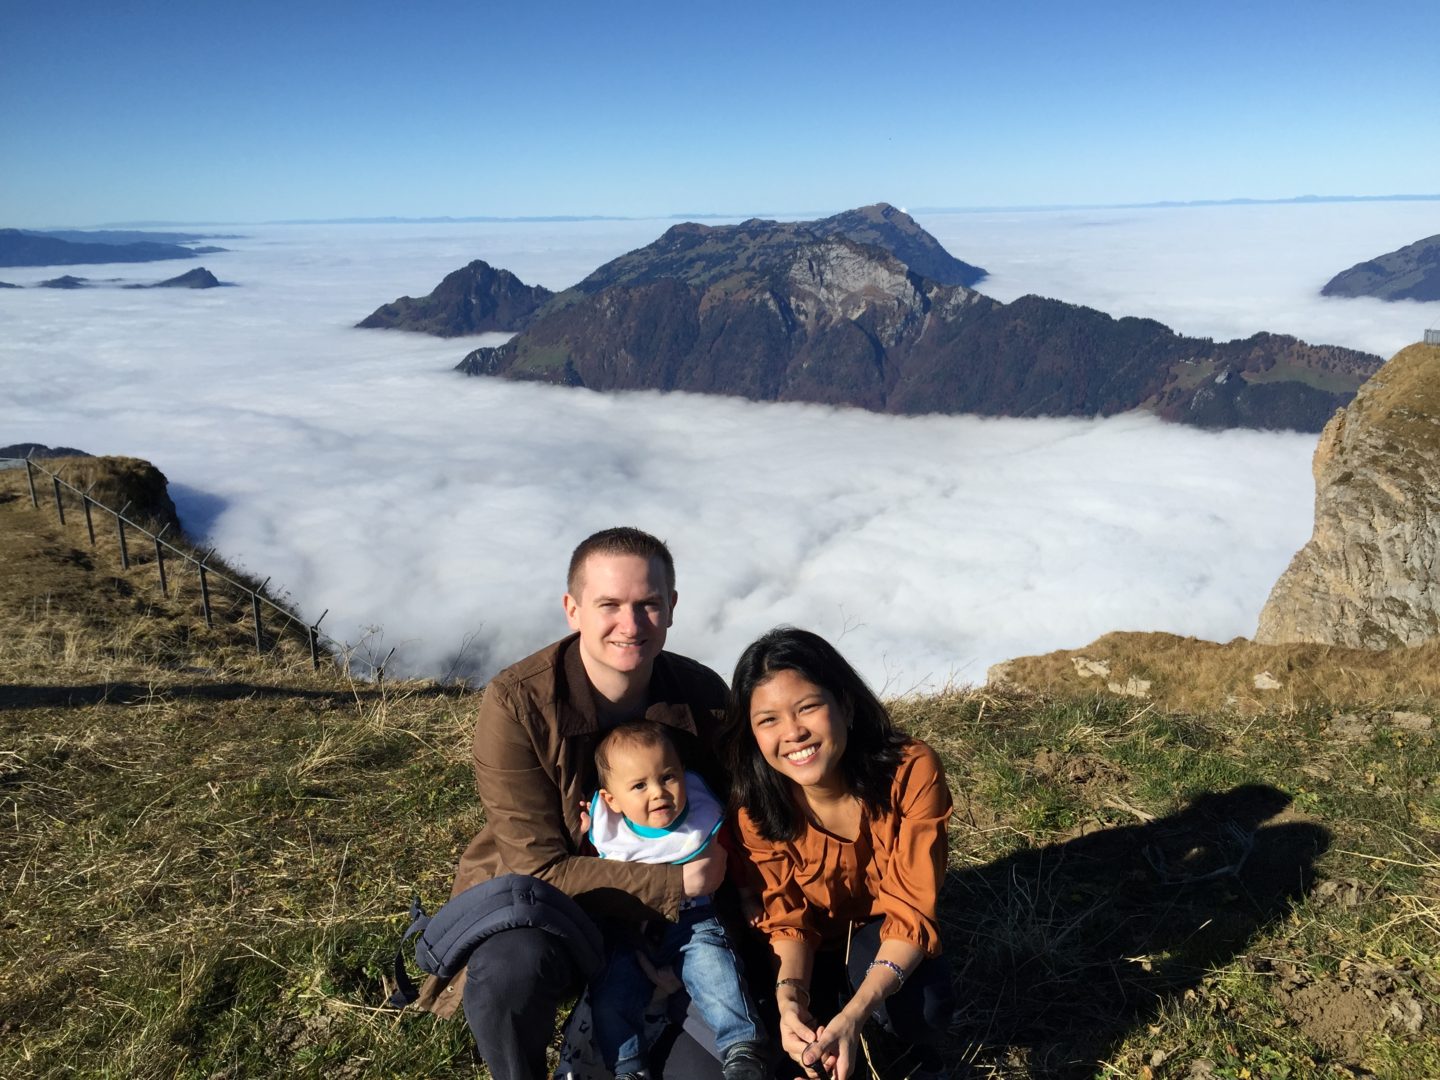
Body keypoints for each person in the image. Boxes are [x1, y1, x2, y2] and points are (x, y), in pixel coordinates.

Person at [416, 527, 732, 1080]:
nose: (630, 626)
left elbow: (739, 823)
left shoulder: (701, 697)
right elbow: (536, 869)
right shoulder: (519, 703)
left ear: (672, 607)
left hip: (674, 931)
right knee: (509, 966)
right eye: (608, 604)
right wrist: (678, 887)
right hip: (558, 916)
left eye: (648, 604)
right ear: (572, 608)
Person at [726, 627, 955, 1080]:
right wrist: (791, 994)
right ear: (752, 734)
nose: (793, 733)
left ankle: (888, 1036)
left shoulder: (910, 771)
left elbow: (910, 910)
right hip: (810, 945)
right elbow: (788, 920)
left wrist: (857, 1012)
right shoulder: (757, 811)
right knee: (775, 1034)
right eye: (768, 720)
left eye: (808, 707)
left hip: (883, 926)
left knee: (924, 1010)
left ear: (845, 706)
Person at [585, 721, 767, 1080]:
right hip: (628, 931)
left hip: (694, 922)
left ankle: (743, 1048)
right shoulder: (607, 830)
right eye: (639, 786)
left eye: (668, 777)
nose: (659, 793)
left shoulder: (701, 815)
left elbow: (734, 856)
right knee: (612, 993)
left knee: (717, 971)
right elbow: (588, 873)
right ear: (611, 800)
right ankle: (628, 1067)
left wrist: (747, 896)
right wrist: (582, 833)